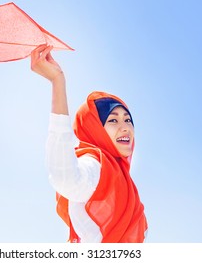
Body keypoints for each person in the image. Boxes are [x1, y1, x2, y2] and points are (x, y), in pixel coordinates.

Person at [31, 44, 148, 243]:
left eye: (128, 120)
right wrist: (57, 82)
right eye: (113, 120)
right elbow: (66, 178)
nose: (125, 127)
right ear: (94, 128)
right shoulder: (97, 165)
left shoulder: (123, 182)